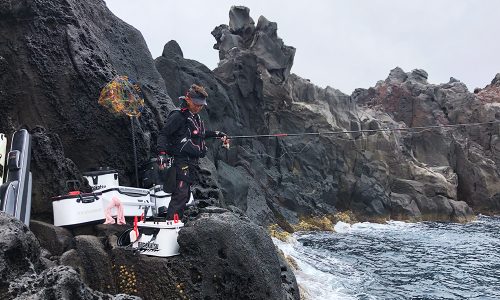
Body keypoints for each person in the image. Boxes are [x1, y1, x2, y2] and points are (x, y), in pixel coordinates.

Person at [156, 84, 228, 220]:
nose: (199, 107)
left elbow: (200, 134)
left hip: (192, 162)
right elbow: (164, 134)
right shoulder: (178, 116)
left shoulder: (195, 117)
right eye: (197, 104)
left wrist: (217, 134)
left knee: (186, 195)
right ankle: (172, 223)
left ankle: (177, 222)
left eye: (202, 105)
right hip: (180, 160)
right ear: (188, 99)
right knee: (181, 194)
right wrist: (162, 153)